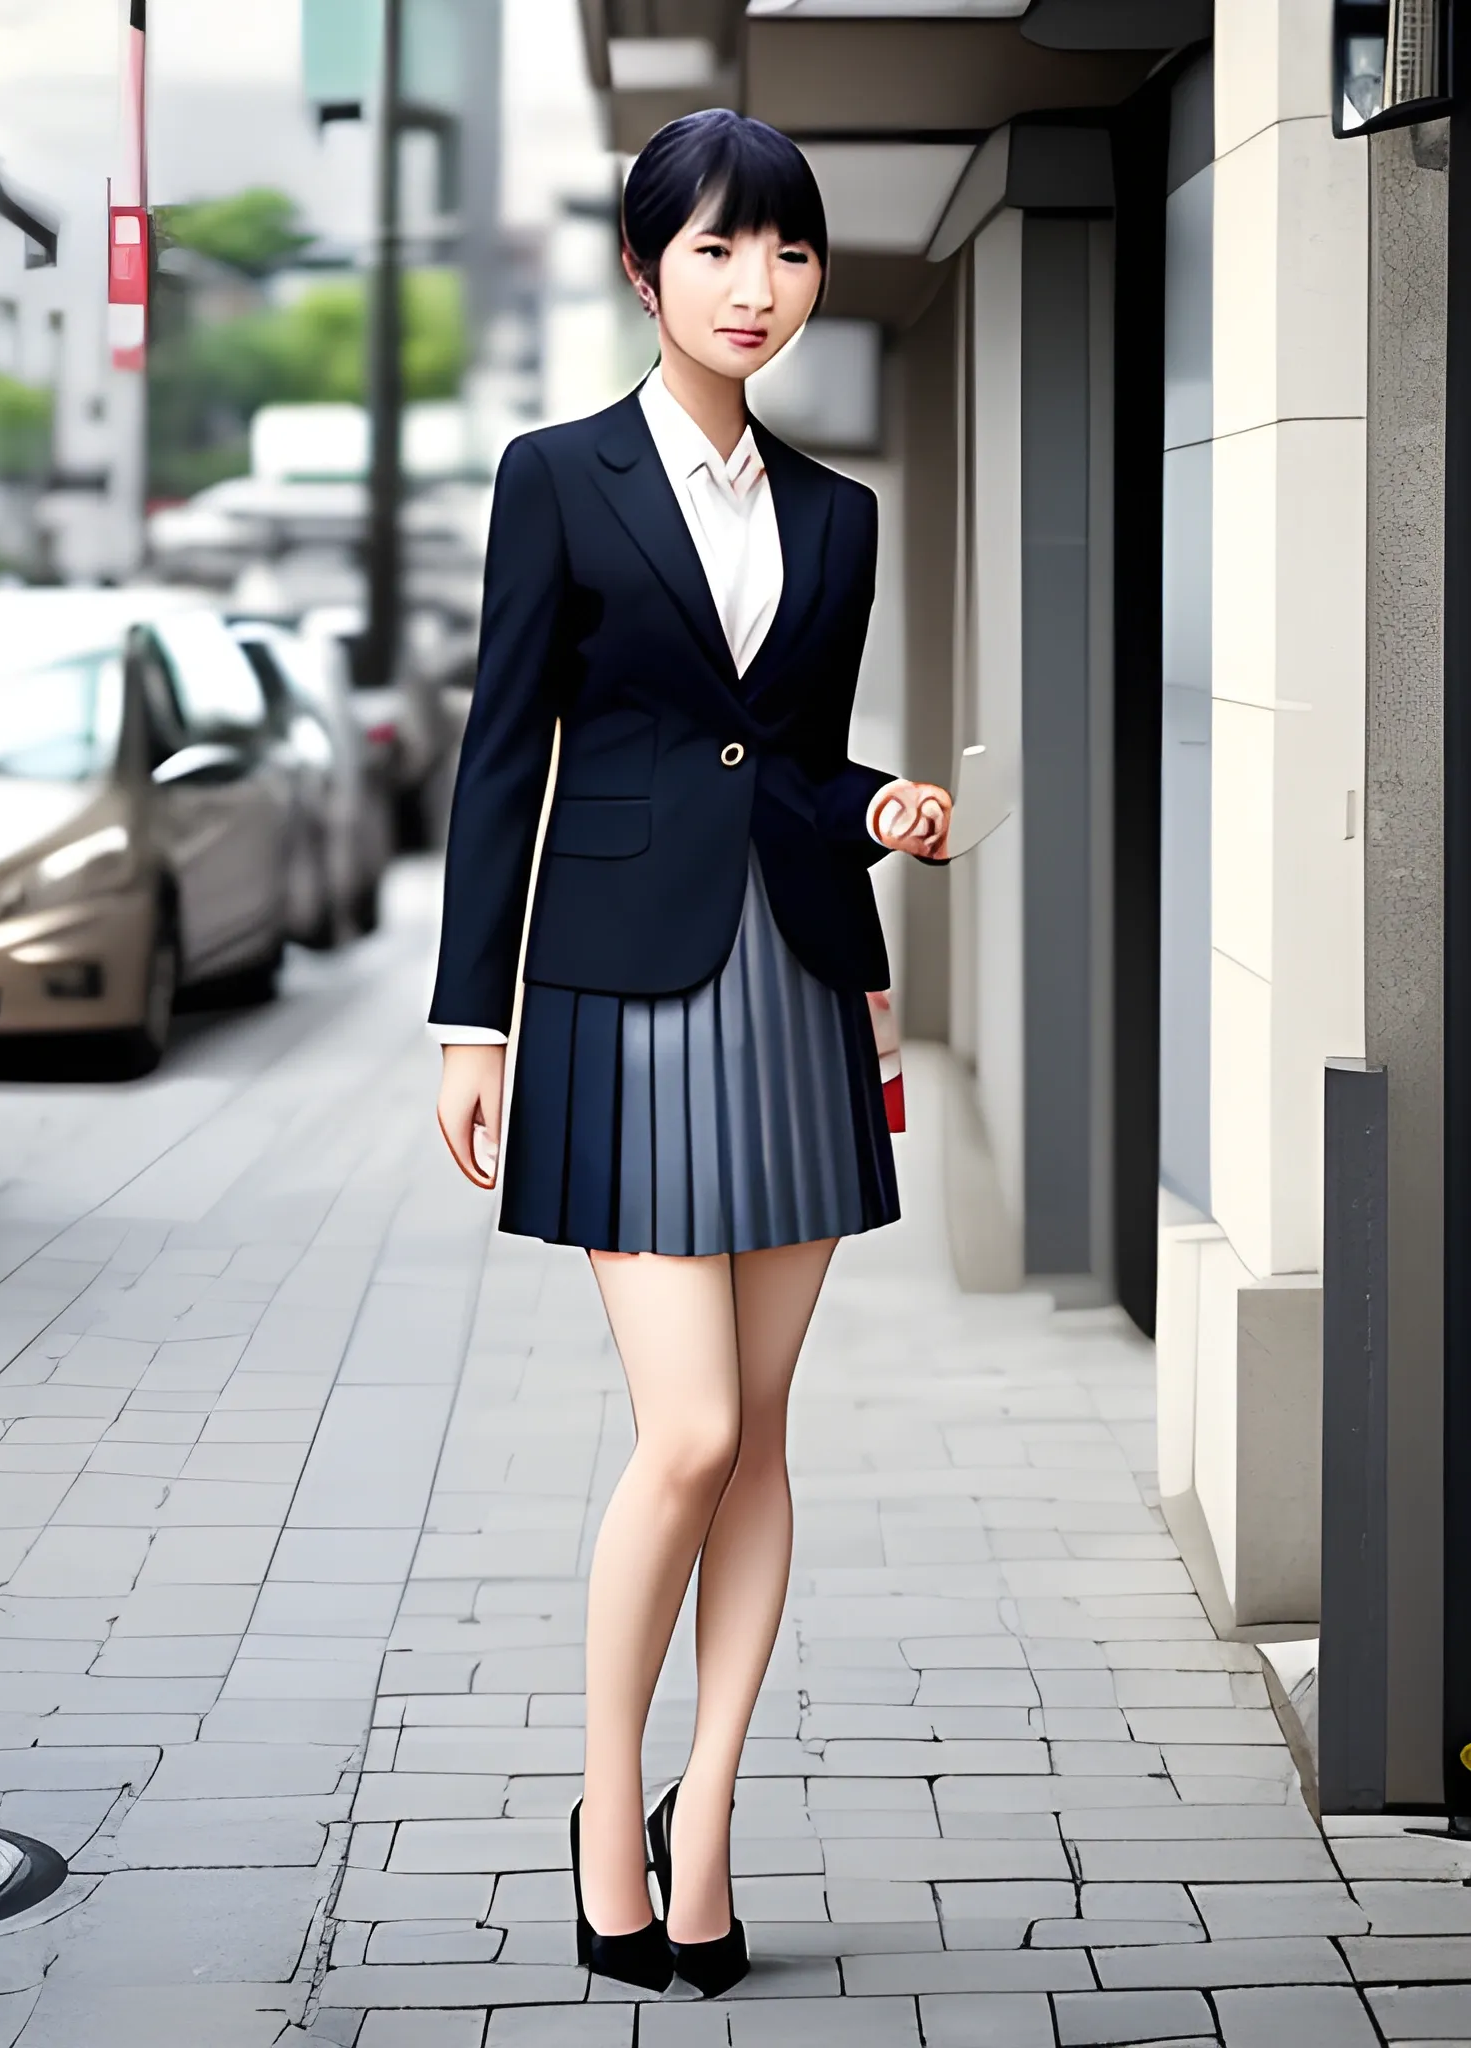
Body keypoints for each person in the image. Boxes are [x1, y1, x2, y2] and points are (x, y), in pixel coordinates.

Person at [428, 108, 951, 1999]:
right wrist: (468, 1017)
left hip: (796, 991)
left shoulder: (840, 516)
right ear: (648, 274)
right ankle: (599, 1804)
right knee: (697, 1430)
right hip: (616, 995)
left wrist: (878, 810)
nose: (759, 286)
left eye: (789, 252)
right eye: (719, 250)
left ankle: (707, 1820)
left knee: (764, 1442)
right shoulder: (556, 478)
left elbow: (792, 769)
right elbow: (504, 753)